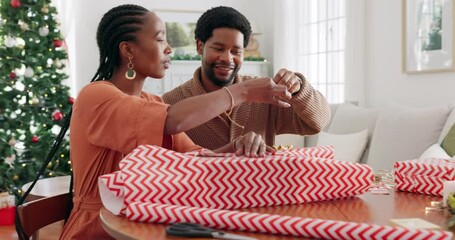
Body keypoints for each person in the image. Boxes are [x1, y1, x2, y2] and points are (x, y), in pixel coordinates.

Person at [59, 4, 295, 239]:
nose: (169, 49)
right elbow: (171, 120)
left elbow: (193, 161)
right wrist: (241, 91)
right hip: (98, 228)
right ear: (128, 50)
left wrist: (234, 148)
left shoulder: (152, 102)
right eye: (161, 40)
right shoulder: (95, 96)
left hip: (140, 225)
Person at [162, 6, 331, 150]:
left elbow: (318, 122)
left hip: (262, 187)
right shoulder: (171, 102)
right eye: (218, 48)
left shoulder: (264, 92)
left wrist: (299, 87)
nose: (227, 58)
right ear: (200, 46)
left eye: (236, 51)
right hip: (200, 188)